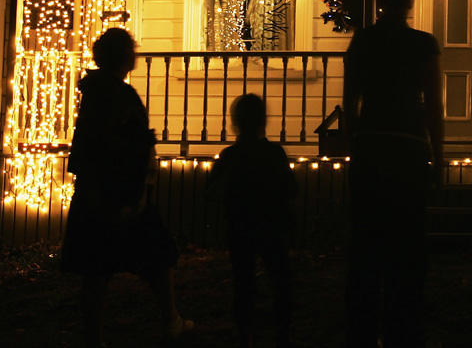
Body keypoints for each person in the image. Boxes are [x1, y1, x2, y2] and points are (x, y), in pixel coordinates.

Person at [61, 27, 191, 347]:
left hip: (109, 191)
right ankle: (169, 321)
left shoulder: (101, 92)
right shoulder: (113, 95)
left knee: (100, 267)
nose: (136, 53)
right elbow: (103, 143)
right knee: (149, 256)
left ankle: (99, 336)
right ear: (123, 55)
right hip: (116, 194)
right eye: (132, 48)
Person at [342, 0, 444, 348]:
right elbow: (433, 106)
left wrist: (355, 145)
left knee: (366, 247)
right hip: (408, 149)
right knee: (408, 248)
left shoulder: (364, 41)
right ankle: (403, 328)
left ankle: (363, 329)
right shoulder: (423, 45)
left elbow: (350, 99)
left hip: (371, 148)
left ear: (381, 2)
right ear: (410, 3)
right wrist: (439, 155)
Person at [206, 93, 298, 348]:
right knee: (281, 279)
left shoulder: (230, 156)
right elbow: (291, 189)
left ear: (235, 122)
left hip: (240, 226)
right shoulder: (274, 153)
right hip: (271, 225)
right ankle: (282, 332)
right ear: (263, 121)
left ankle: (245, 333)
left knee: (243, 281)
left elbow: (210, 192)